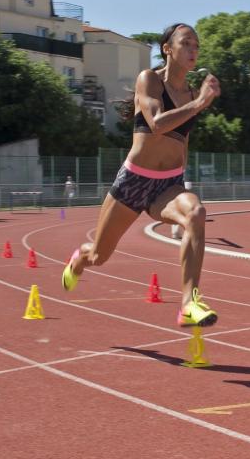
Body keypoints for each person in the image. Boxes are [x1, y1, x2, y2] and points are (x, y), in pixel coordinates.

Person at [62, 23, 221, 328]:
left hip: (168, 185)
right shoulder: (149, 80)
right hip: (134, 181)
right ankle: (79, 260)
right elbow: (158, 124)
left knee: (196, 214)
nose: (193, 50)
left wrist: (181, 178)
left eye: (197, 46)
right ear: (168, 49)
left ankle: (189, 303)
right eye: (186, 43)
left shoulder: (189, 93)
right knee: (99, 255)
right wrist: (199, 103)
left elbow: (182, 139)